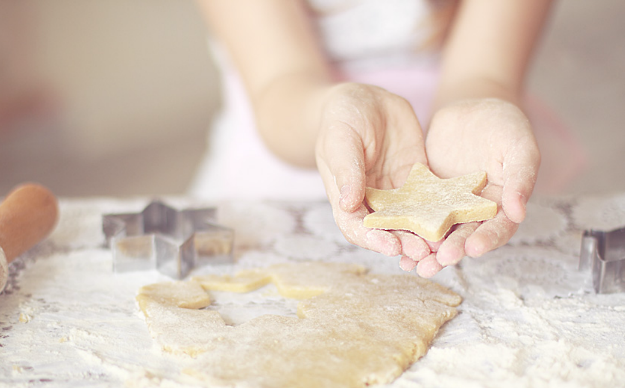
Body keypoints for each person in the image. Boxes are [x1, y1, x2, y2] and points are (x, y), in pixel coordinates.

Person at [191, 0, 576, 278]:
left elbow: (483, 74)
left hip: (466, 156)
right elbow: (280, 86)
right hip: (288, 159)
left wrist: (480, 105)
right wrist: (332, 114)